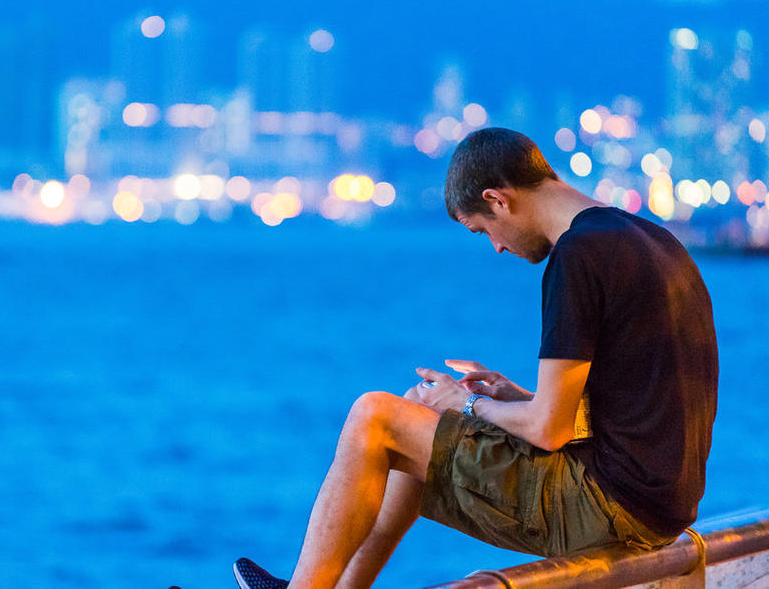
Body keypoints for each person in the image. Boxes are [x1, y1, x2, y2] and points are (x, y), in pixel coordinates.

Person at [232, 127, 718, 589]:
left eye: (484, 230)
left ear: (498, 199)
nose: (498, 247)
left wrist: (464, 404)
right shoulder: (655, 243)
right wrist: (515, 397)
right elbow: (625, 414)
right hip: (659, 506)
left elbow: (550, 430)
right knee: (412, 417)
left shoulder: (578, 256)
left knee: (373, 416)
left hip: (608, 509)